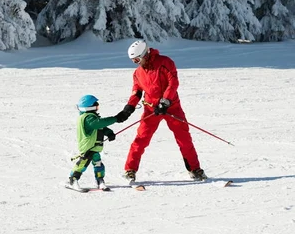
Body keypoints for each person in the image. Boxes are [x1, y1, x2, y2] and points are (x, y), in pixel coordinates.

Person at [119, 39, 207, 183]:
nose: (136, 63)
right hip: (151, 110)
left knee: (184, 138)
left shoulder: (165, 62)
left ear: (145, 54)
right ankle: (130, 170)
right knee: (141, 139)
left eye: (137, 59)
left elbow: (173, 82)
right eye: (133, 60)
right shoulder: (138, 73)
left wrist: (165, 101)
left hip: (172, 107)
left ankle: (194, 169)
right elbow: (136, 92)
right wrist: (129, 108)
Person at [68, 94, 130, 190]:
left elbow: (100, 127)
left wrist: (109, 133)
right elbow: (98, 124)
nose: (97, 108)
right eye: (97, 105)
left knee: (98, 164)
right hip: (88, 147)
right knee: (82, 164)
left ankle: (100, 180)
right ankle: (73, 180)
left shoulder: (91, 117)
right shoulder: (87, 118)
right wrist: (116, 118)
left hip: (94, 147)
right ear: (90, 107)